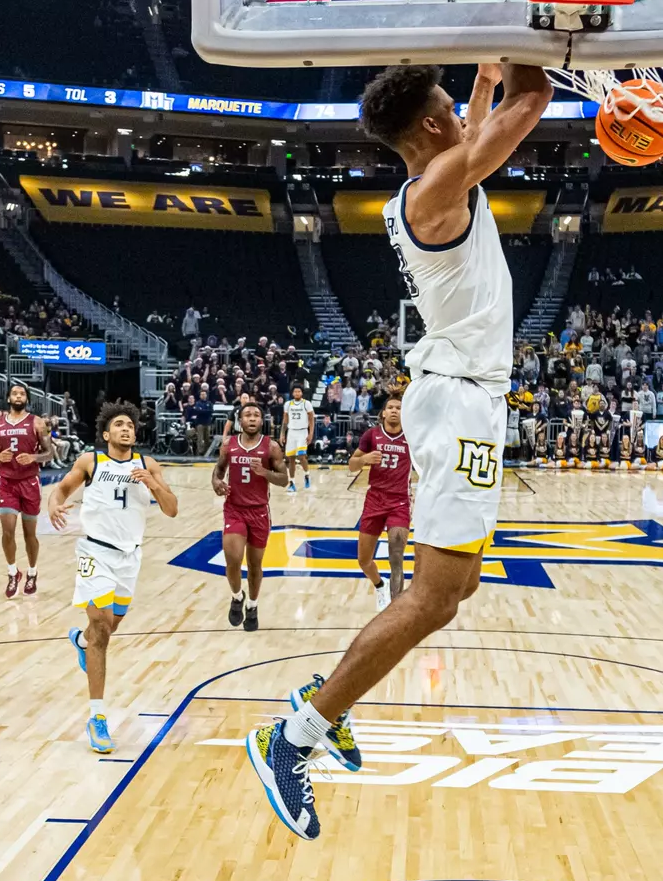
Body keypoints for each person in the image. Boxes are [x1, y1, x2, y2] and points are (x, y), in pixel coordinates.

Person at [245, 61, 552, 840]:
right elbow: (534, 99)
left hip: (463, 398)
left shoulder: (421, 190)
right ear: (431, 126)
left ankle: (329, 698)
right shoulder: (437, 190)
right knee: (435, 597)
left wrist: (480, 82)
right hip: (460, 403)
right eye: (452, 107)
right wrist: (534, 31)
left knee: (459, 584)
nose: (464, 115)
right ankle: (295, 737)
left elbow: (476, 130)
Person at [50, 403, 178, 752]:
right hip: (93, 552)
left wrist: (153, 485)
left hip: (129, 558)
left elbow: (171, 509)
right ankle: (97, 717)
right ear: (106, 433)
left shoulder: (148, 464)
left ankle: (81, 642)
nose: (126, 429)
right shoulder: (91, 461)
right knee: (101, 629)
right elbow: (60, 490)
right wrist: (53, 505)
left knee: (110, 626)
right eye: (119, 424)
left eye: (130, 426)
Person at [212, 403, 287, 632]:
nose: (252, 418)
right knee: (233, 558)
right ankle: (237, 597)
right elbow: (219, 470)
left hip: (259, 511)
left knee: (255, 565)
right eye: (247, 415)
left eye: (256, 415)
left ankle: (252, 606)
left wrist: (265, 473)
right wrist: (216, 482)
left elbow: (284, 479)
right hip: (234, 509)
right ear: (240, 420)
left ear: (262, 421)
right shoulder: (229, 444)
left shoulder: (271, 447)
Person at [347, 394, 411, 610]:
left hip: (399, 502)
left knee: (396, 556)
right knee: (364, 560)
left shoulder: (412, 436)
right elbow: (352, 465)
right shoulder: (371, 435)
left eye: (399, 408)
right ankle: (380, 585)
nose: (394, 411)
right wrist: (364, 459)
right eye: (390, 407)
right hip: (375, 500)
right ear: (383, 413)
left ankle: (396, 609)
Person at [0, 385, 52, 597]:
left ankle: (32, 572)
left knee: (29, 534)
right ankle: (12, 572)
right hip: (7, 482)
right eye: (15, 393)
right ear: (8, 398)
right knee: (7, 531)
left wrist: (33, 457)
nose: (18, 396)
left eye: (22, 394)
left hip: (29, 482)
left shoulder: (37, 422)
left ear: (27, 399)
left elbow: (49, 453)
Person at [280, 384, 314, 493]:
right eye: (295, 391)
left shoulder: (306, 404)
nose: (297, 393)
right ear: (292, 393)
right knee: (291, 459)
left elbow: (311, 420)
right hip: (291, 432)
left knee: (301, 456)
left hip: (303, 432)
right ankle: (292, 483)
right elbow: (285, 421)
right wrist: (282, 434)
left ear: (302, 393)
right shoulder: (288, 404)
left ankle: (307, 475)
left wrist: (311, 434)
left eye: (299, 391)